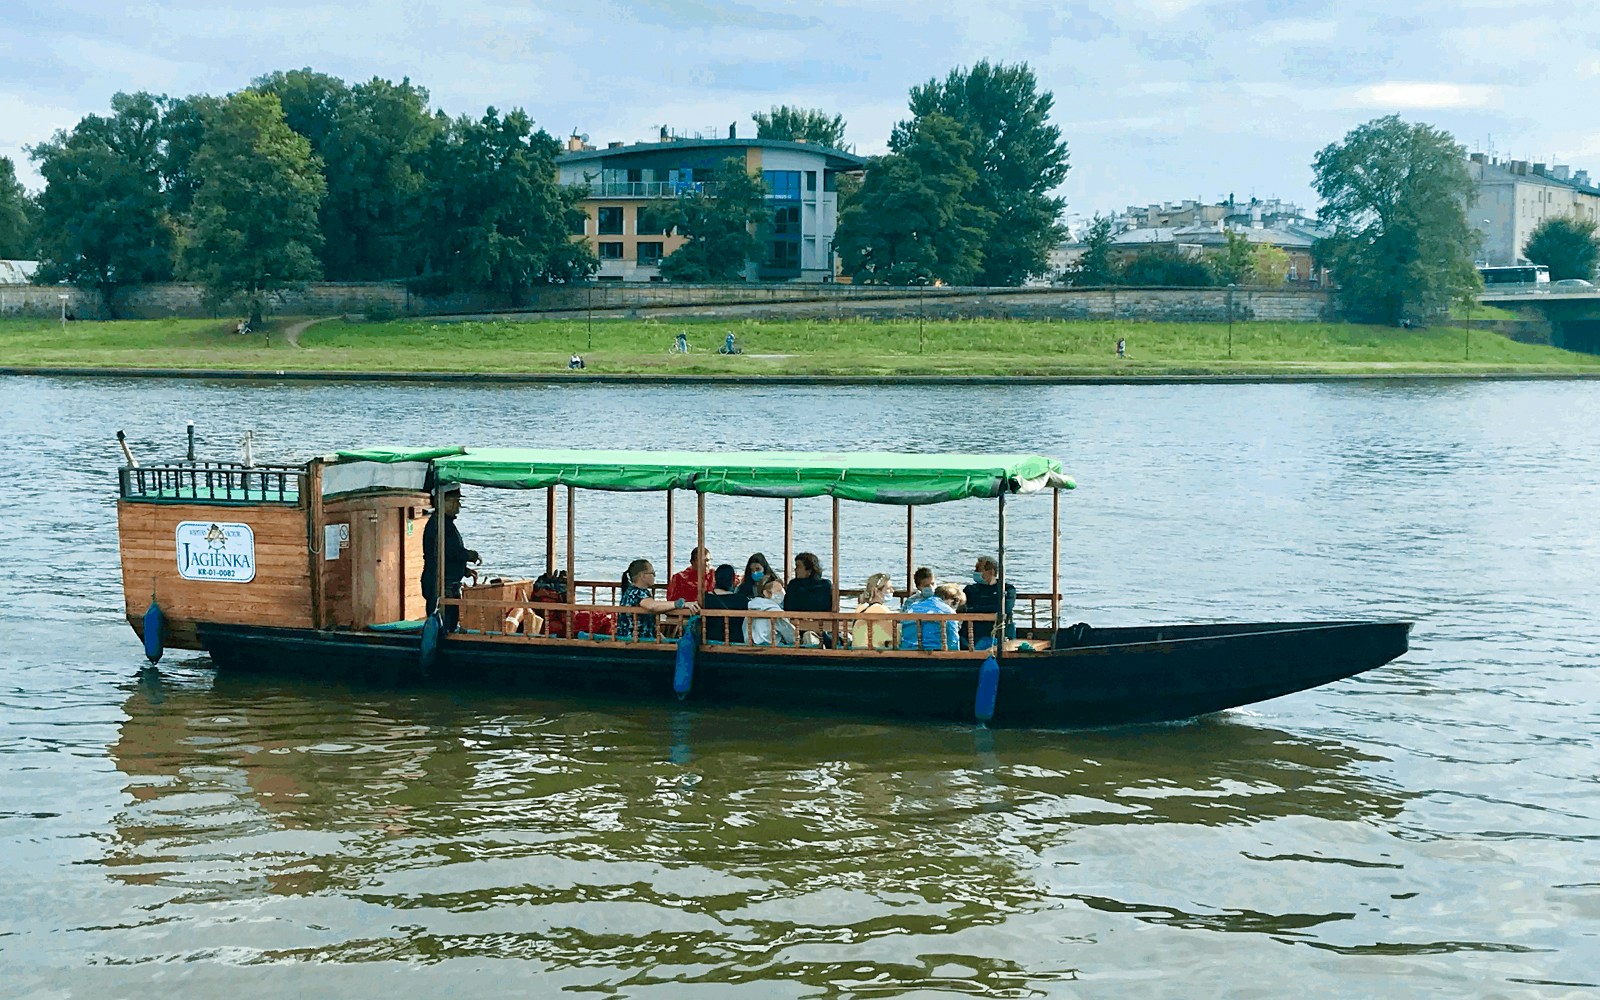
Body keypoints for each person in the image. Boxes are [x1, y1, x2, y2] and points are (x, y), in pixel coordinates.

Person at [421, 484, 480, 631]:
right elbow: (450, 551)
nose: (458, 506)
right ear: (442, 502)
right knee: (444, 625)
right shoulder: (438, 525)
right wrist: (470, 555)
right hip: (440, 585)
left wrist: (463, 570)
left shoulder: (445, 524)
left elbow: (446, 556)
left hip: (448, 583)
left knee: (450, 622)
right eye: (455, 501)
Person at [616, 558, 697, 641]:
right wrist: (679, 604)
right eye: (652, 573)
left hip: (637, 638)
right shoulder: (636, 592)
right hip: (636, 640)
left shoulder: (633, 590)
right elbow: (652, 605)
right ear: (642, 576)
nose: (654, 576)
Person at [899, 566, 959, 651]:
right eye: (926, 585)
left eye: (933, 583)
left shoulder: (941, 598)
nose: (931, 587)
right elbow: (903, 618)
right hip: (916, 639)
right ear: (919, 587)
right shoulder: (911, 601)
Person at [964, 555, 1018, 647]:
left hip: (998, 633)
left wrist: (977, 608)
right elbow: (966, 608)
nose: (975, 573)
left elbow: (1006, 607)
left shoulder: (1007, 589)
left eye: (978, 570)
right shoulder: (970, 589)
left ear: (991, 572)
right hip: (974, 632)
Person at [784, 551, 836, 645]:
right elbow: (788, 607)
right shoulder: (794, 585)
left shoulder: (824, 585)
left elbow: (829, 606)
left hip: (821, 624)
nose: (795, 570)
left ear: (809, 570)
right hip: (799, 625)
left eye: (798, 567)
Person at [701, 563, 749, 643]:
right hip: (736, 641)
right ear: (732, 579)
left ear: (715, 579)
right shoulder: (741, 600)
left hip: (709, 641)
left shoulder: (705, 598)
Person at [849, 572, 897, 649]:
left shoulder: (861, 608)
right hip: (874, 652)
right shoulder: (882, 610)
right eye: (888, 588)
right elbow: (896, 635)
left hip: (856, 649)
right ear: (877, 591)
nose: (892, 591)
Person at [747, 576, 796, 646]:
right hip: (770, 648)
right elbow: (791, 636)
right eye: (778, 591)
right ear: (766, 593)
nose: (782, 594)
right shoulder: (775, 611)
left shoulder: (751, 607)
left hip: (749, 645)